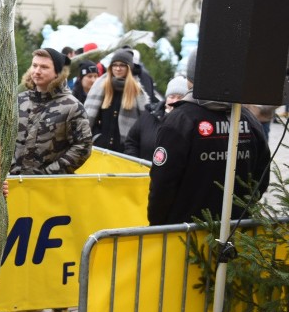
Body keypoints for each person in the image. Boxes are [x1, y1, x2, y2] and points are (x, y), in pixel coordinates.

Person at [5, 48, 93, 312]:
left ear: (57, 72)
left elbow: (84, 147)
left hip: (53, 189)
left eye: (44, 66)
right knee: (27, 247)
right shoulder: (19, 100)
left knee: (54, 248)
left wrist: (51, 173)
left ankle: (60, 307)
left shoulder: (71, 106)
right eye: (34, 65)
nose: (37, 71)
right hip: (19, 187)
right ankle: (30, 301)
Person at [147, 50, 271, 227]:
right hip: (236, 230)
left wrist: (157, 224)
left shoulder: (180, 119)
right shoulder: (247, 119)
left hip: (183, 232)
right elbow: (262, 178)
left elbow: (163, 183)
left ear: (190, 78)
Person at [84, 49, 148, 152]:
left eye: (122, 65)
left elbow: (143, 125)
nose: (118, 68)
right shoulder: (101, 87)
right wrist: (97, 137)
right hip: (99, 150)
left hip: (124, 153)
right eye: (114, 65)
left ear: (129, 68)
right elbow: (88, 117)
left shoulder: (137, 92)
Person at [124, 76, 188, 161]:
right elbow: (131, 142)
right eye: (171, 97)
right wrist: (135, 162)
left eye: (180, 98)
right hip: (141, 171)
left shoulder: (189, 122)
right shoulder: (149, 114)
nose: (174, 101)